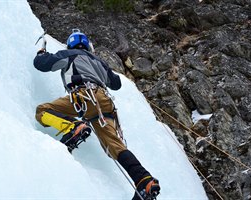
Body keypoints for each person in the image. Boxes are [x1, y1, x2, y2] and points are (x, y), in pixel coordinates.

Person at [33, 29, 160, 200]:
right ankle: (144, 180)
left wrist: (41, 53)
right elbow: (115, 83)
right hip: (105, 104)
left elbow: (43, 64)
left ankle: (73, 127)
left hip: (83, 97)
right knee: (114, 146)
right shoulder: (99, 61)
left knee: (42, 111)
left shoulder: (69, 54)